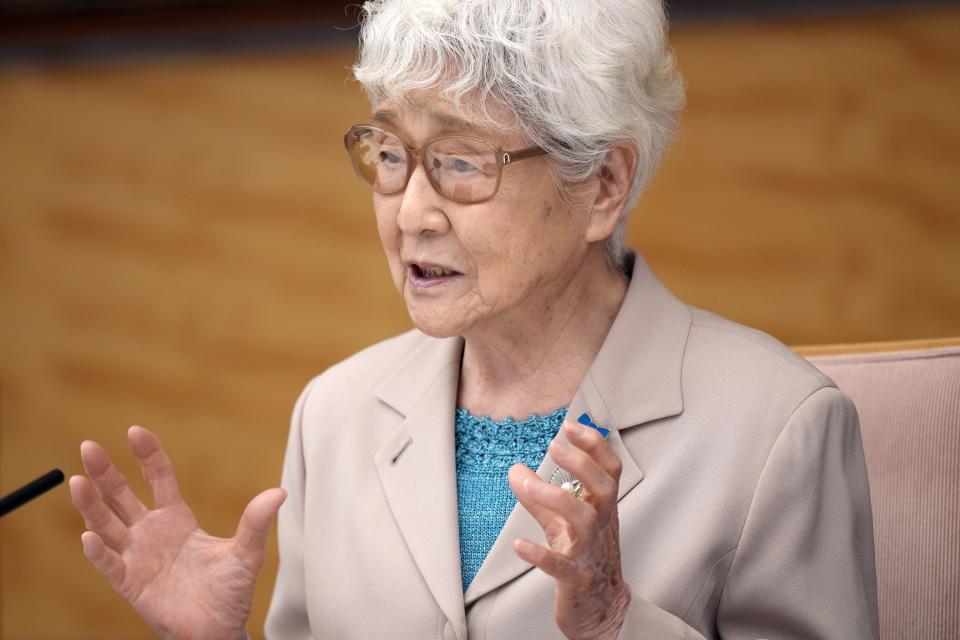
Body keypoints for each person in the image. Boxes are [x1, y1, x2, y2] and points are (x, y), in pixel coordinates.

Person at [68, 1, 879, 638]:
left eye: (460, 163)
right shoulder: (335, 415)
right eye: (390, 154)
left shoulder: (779, 427)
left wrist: (614, 625)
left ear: (601, 185)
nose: (410, 212)